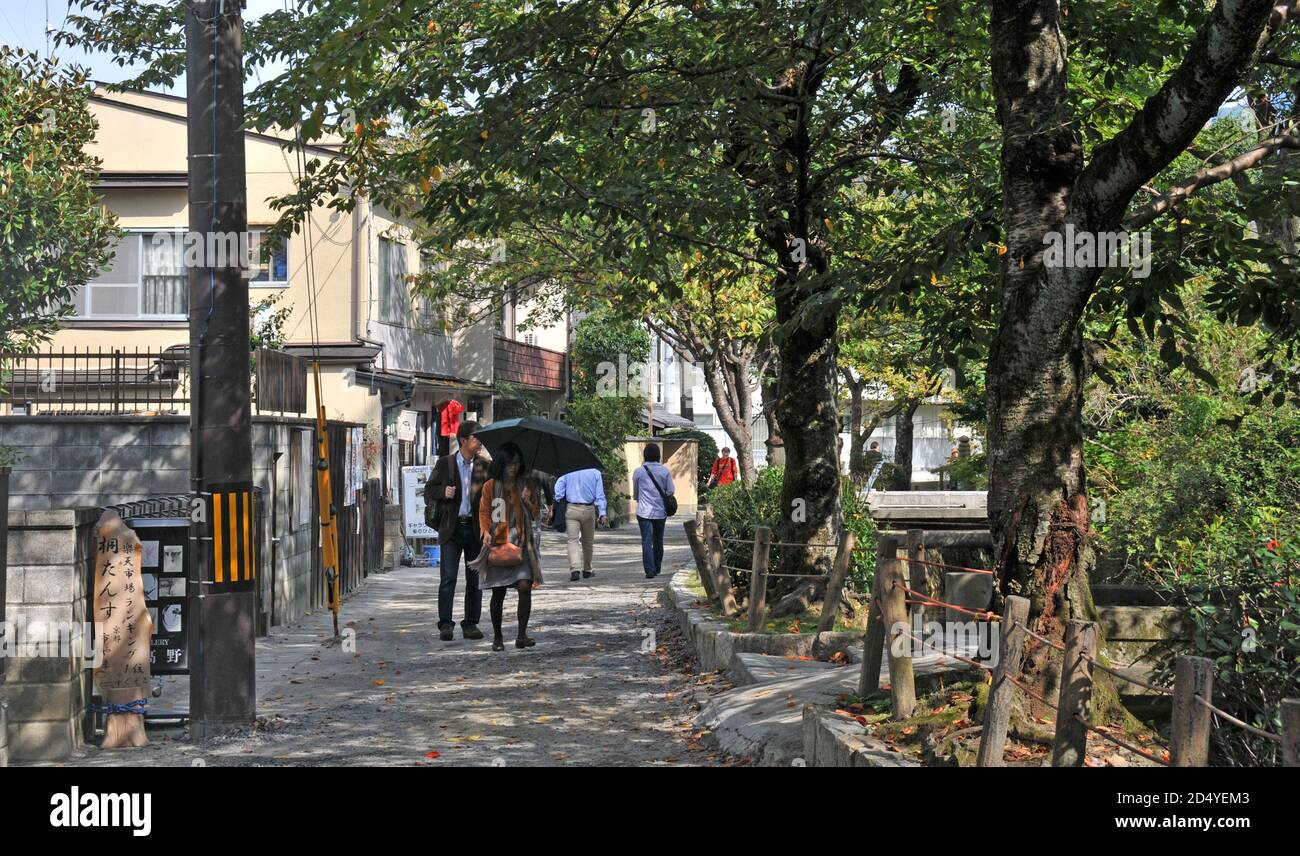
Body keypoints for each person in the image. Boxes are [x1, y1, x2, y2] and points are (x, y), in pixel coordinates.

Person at [424, 421, 490, 642]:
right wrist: (444, 491)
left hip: (474, 530)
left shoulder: (484, 466)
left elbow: (491, 496)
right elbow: (428, 490)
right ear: (463, 441)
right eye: (475, 437)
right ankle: (445, 624)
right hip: (452, 529)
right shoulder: (446, 464)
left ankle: (471, 624)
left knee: (474, 581)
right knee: (448, 578)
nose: (479, 441)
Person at [477, 442, 542, 651]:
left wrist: (528, 502)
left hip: (521, 542)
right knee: (498, 592)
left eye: (516, 463)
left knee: (525, 587)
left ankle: (522, 634)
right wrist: (485, 532)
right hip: (498, 541)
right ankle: (497, 637)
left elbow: (536, 514)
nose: (513, 468)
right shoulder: (490, 486)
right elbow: (484, 512)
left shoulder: (526, 485)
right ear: (501, 465)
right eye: (509, 464)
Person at [553, 467, 607, 581]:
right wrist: (602, 512)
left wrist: (561, 499)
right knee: (588, 542)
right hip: (588, 509)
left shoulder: (568, 471)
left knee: (573, 540)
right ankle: (587, 570)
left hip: (571, 508)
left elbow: (558, 490)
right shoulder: (595, 473)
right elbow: (600, 495)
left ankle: (575, 570)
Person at [632, 443, 675, 579]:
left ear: (645, 455)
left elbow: (636, 493)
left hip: (643, 511)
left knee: (646, 540)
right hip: (660, 511)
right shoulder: (664, 471)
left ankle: (649, 570)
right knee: (658, 540)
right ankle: (657, 567)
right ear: (658, 455)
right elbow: (671, 490)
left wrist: (639, 497)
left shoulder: (638, 471)